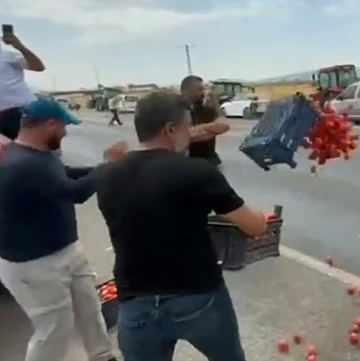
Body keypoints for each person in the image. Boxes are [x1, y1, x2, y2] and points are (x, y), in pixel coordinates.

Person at [96, 91, 267, 361]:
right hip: (197, 297)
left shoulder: (107, 175)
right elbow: (255, 227)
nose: (191, 134)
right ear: (170, 129)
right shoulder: (197, 172)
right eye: (188, 127)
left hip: (135, 302)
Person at [0, 98, 126, 361]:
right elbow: (75, 192)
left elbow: (66, 174)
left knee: (90, 310)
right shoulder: (22, 163)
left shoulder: (40, 154)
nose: (66, 132)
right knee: (54, 329)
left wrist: (101, 170)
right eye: (63, 126)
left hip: (66, 248)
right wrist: (108, 166)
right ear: (49, 124)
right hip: (34, 264)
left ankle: (102, 356)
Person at [0, 31, 45, 153]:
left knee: (35, 154)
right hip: (2, 118)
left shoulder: (8, 56)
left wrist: (19, 46)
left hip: (21, 113)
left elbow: (39, 67)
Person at [180, 75, 229, 166]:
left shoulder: (208, 110)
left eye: (204, 89)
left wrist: (194, 130)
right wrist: (212, 130)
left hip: (210, 162)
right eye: (199, 89)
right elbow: (184, 137)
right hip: (185, 164)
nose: (203, 93)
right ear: (185, 91)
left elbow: (223, 126)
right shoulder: (175, 111)